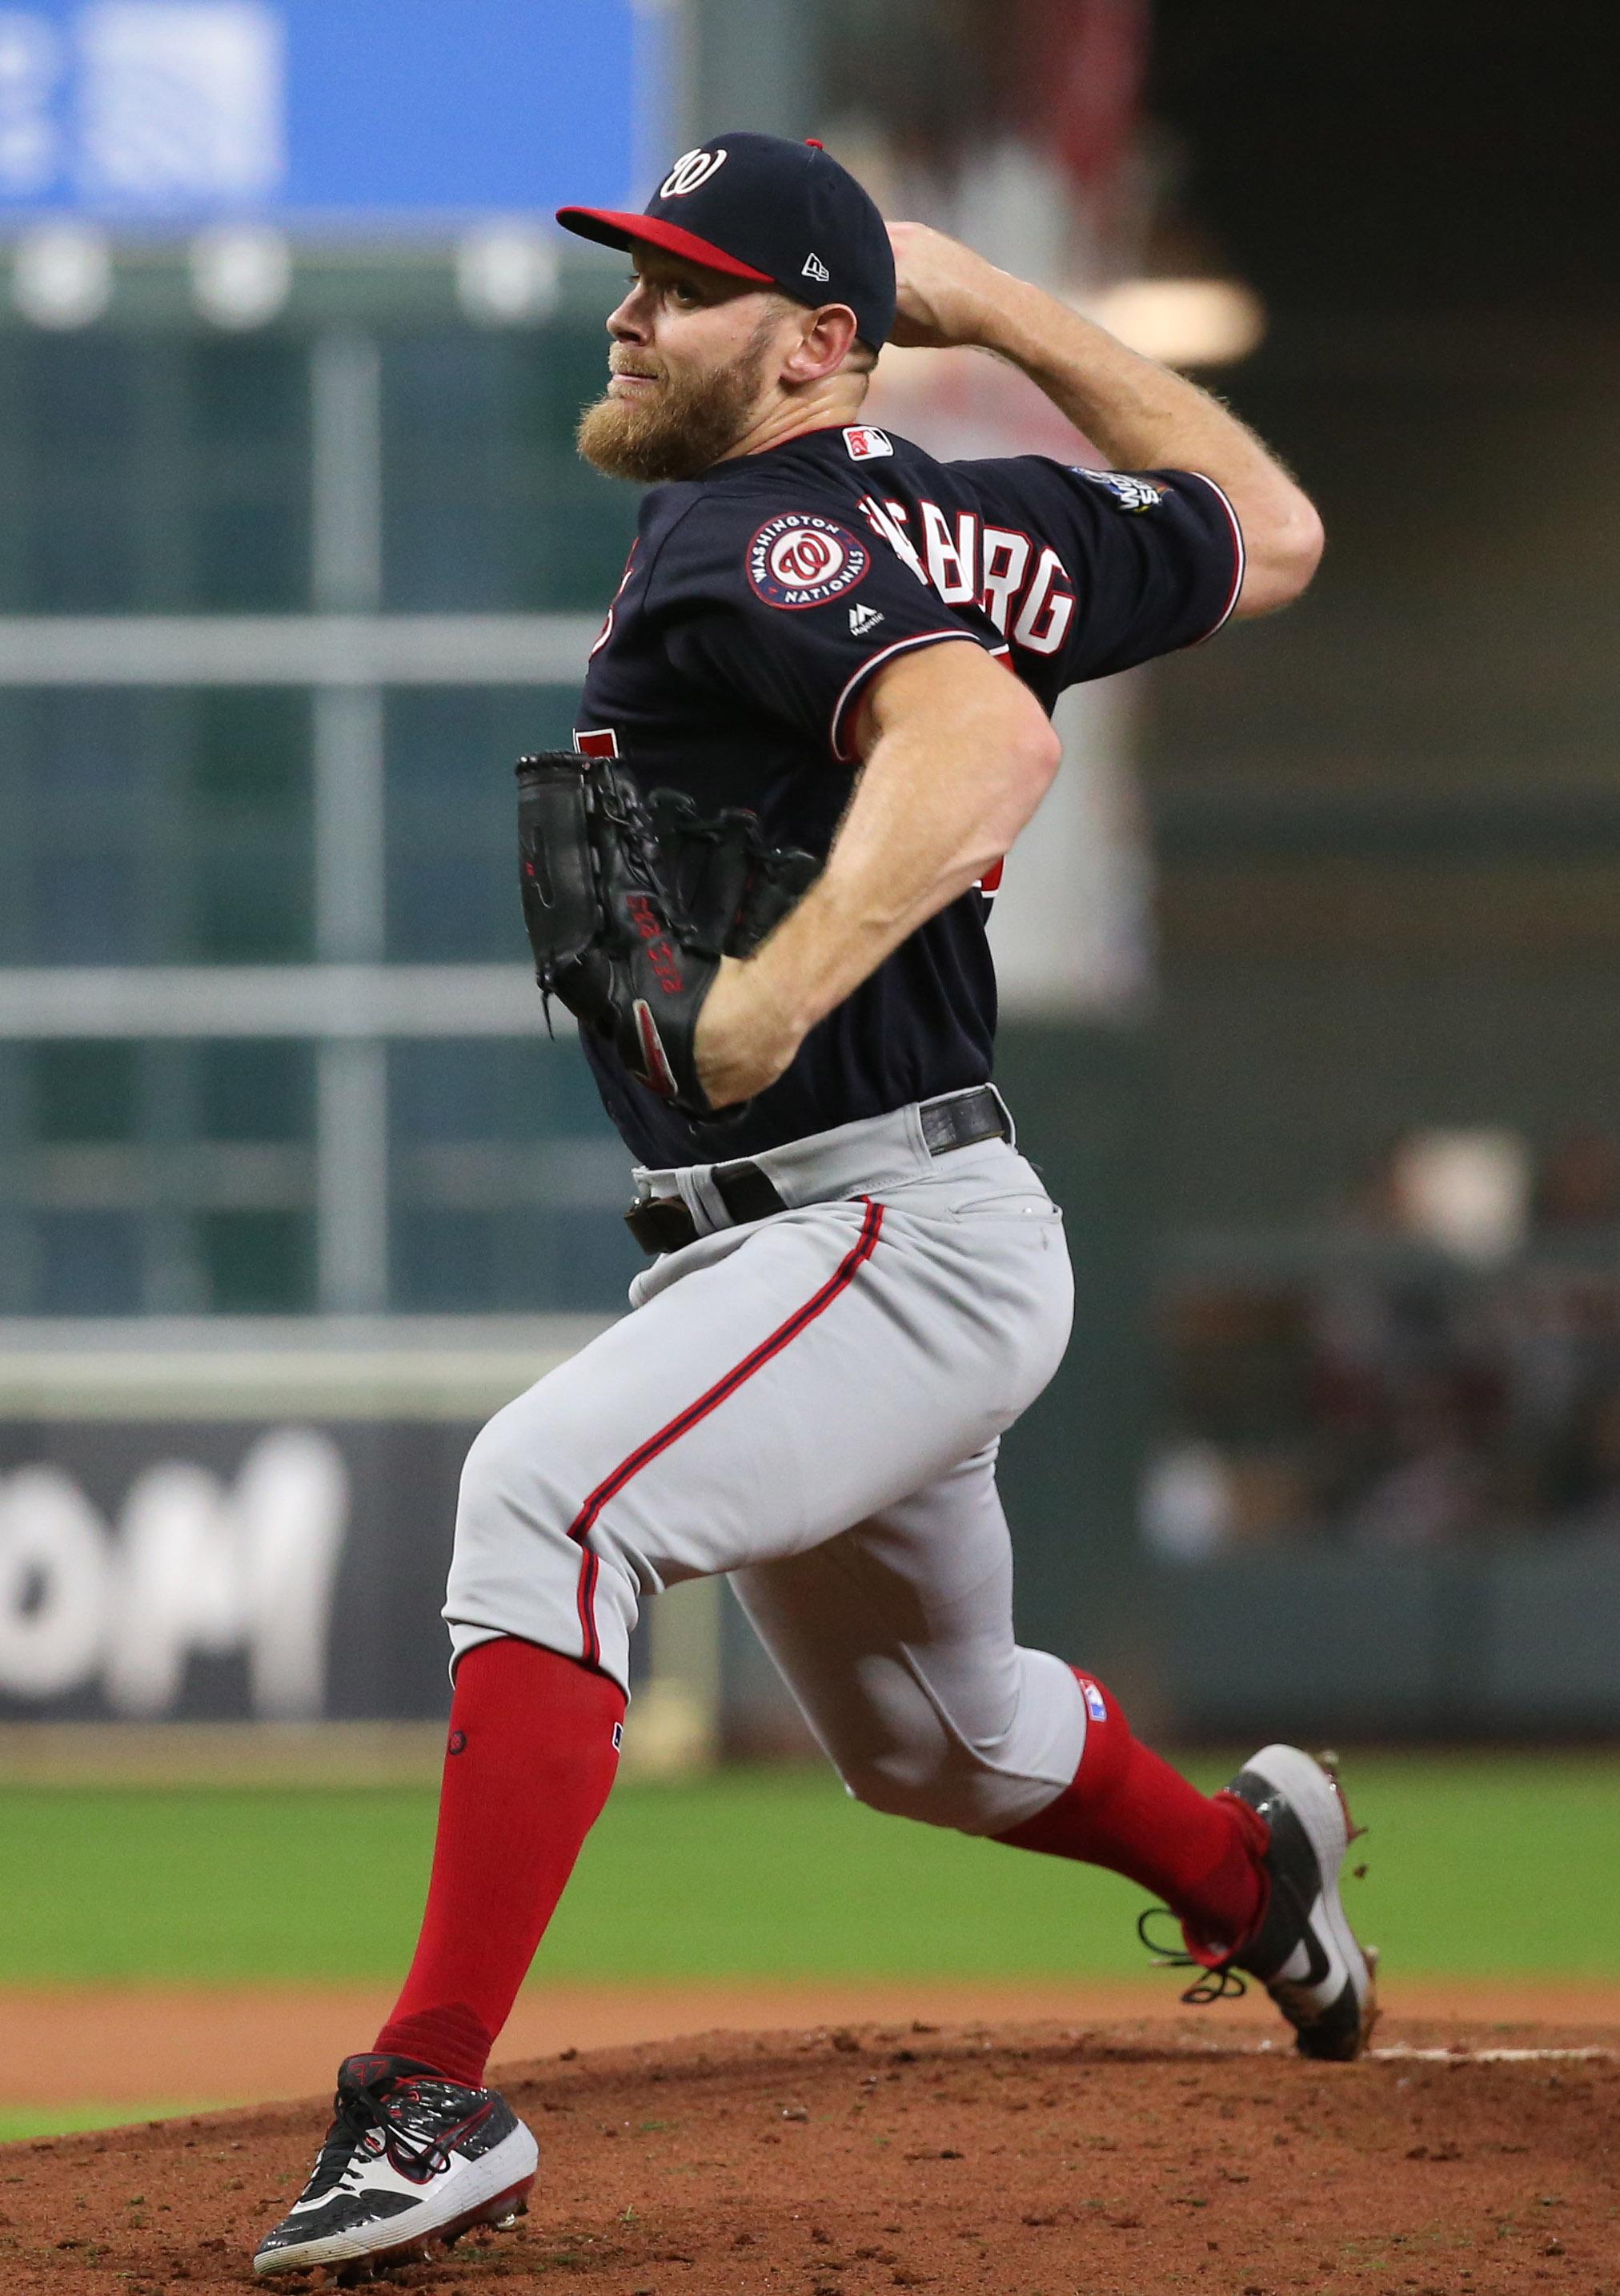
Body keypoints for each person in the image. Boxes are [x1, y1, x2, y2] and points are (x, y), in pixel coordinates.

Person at [253, 130, 1371, 2282]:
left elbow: (980, 746)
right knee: (934, 1743)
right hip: (856, 1237)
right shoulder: (971, 522)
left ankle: (426, 2092)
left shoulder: (754, 538)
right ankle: (1259, 1882)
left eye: (682, 285)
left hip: (872, 1228)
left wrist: (786, 974)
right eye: (637, 273)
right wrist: (1004, 308)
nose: (631, 309)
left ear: (813, 345)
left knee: (549, 1500)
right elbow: (1282, 531)